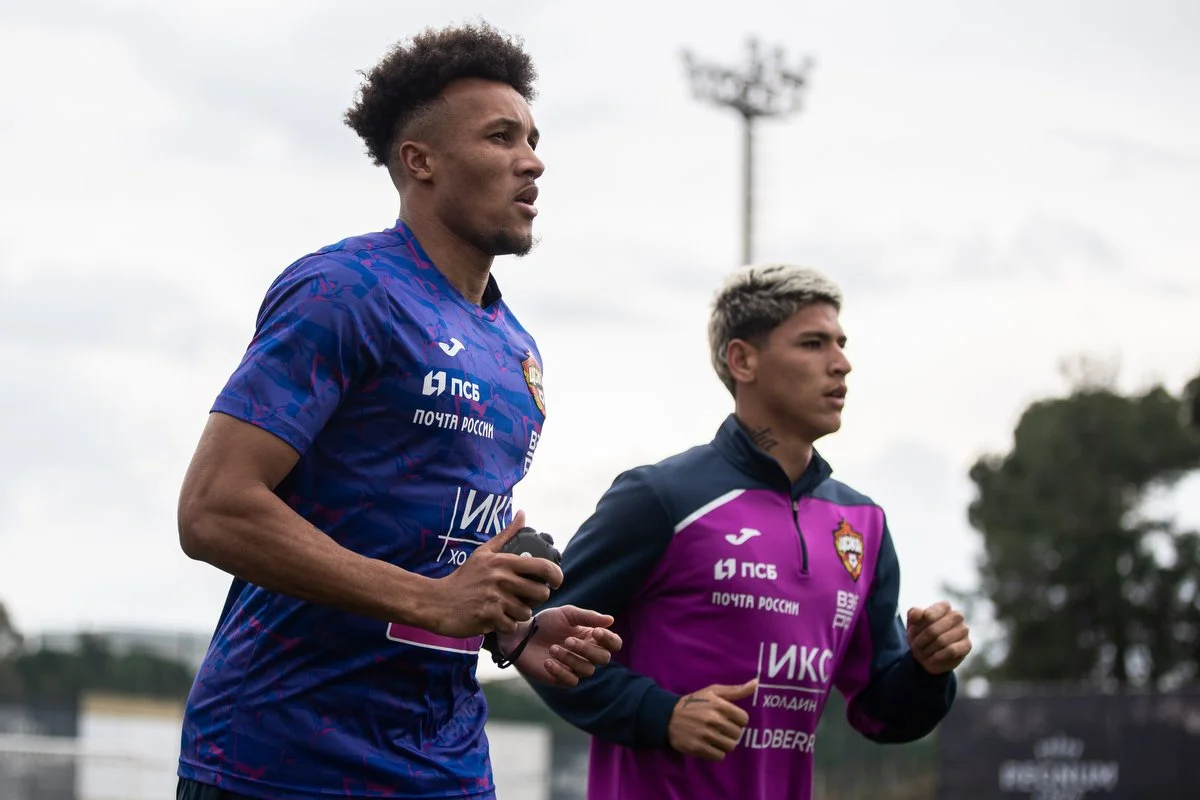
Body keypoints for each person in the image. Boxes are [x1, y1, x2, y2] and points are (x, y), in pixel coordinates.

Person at [174, 22, 621, 800]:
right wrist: (432, 600)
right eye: (501, 137)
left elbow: (439, 543)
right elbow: (213, 510)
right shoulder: (344, 290)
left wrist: (511, 631)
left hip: (445, 764)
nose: (532, 161)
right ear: (420, 161)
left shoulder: (515, 347)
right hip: (281, 763)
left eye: (533, 139)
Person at [529, 264, 973, 799]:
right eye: (813, 343)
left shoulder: (863, 524)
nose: (842, 363)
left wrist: (927, 670)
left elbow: (881, 714)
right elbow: (538, 639)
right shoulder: (660, 498)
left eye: (841, 343)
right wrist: (661, 714)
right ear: (743, 360)